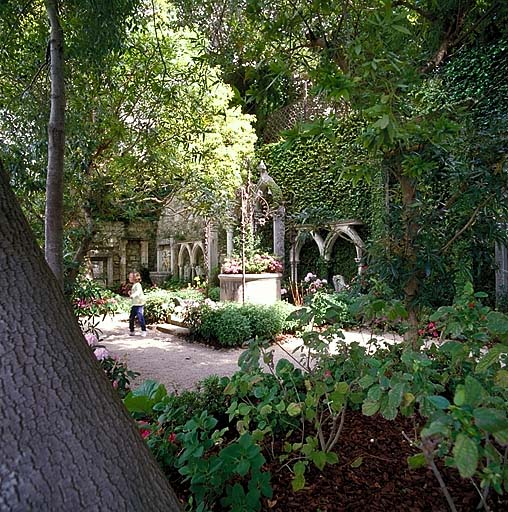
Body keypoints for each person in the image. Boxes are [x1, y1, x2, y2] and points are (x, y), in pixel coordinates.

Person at [128, 271, 147, 337]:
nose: (129, 278)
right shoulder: (134, 285)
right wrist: (130, 293)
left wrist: (133, 295)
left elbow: (138, 292)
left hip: (139, 304)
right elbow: (135, 293)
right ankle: (132, 330)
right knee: (131, 318)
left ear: (135, 278)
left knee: (140, 317)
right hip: (134, 304)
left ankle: (144, 330)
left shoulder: (138, 285)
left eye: (130, 277)